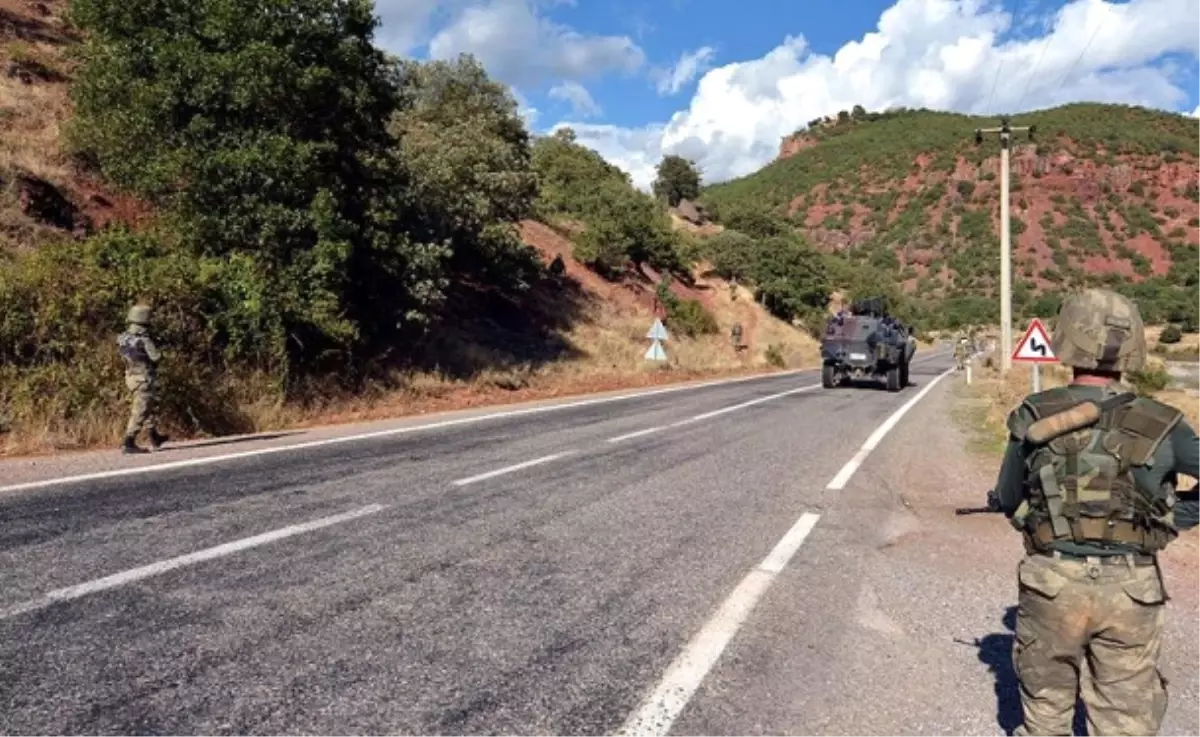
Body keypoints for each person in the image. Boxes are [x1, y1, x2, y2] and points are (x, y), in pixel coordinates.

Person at [992, 288, 1200, 736]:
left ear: (1066, 339)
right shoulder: (1165, 421)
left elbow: (1008, 498)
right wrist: (1174, 519)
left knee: (1045, 714)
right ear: (1133, 346)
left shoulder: (1033, 413)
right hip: (1132, 589)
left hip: (1051, 582)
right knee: (1125, 719)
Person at [118, 304, 168, 454]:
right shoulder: (143, 340)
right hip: (143, 378)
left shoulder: (122, 338)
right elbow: (156, 357)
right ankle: (129, 441)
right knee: (140, 410)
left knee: (148, 406)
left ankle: (154, 435)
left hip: (130, 376)